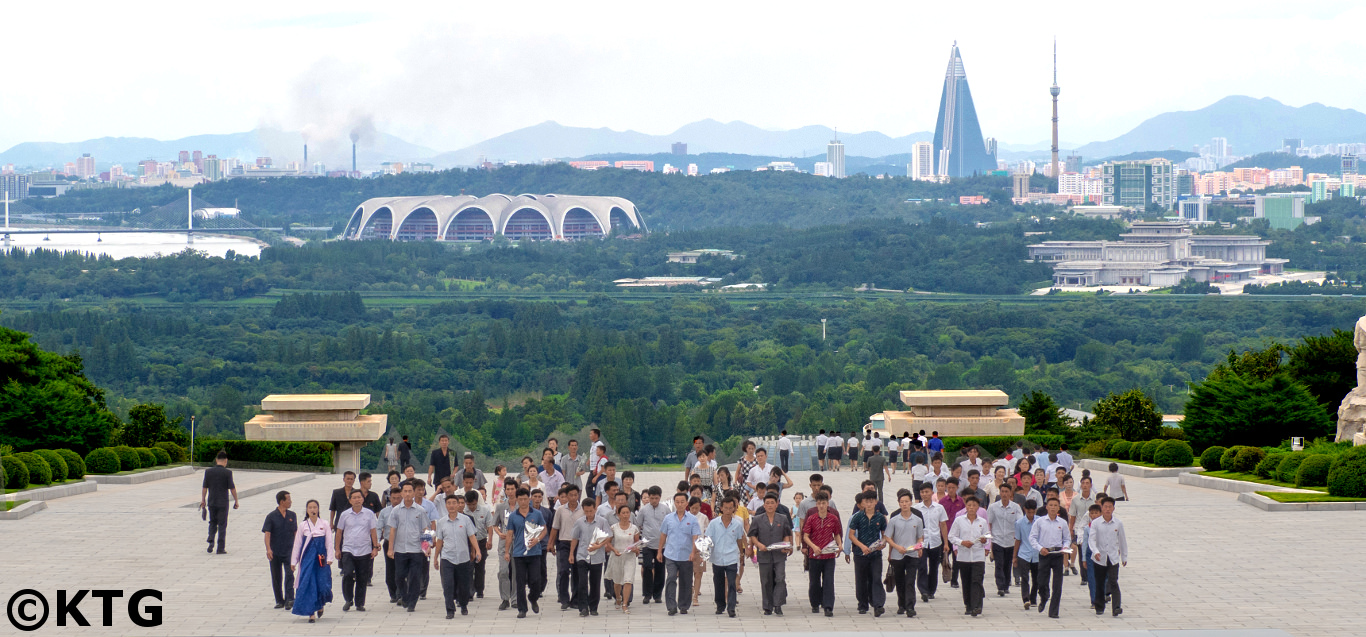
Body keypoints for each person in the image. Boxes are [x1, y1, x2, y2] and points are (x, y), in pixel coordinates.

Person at [432, 492, 481, 619]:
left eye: (455, 503)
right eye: (449, 503)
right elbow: (439, 541)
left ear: (459, 505)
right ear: (446, 505)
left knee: (463, 585)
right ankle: (450, 609)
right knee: (448, 585)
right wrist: (436, 557)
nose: (452, 505)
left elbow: (472, 536)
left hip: (463, 558)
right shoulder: (442, 522)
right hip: (447, 558)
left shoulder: (466, 520)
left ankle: (463, 605)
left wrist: (477, 551)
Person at [335, 488, 380, 612]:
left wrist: (375, 547)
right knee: (348, 574)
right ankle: (348, 599)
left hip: (364, 550)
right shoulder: (345, 514)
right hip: (348, 549)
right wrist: (337, 549)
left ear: (363, 499)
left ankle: (360, 603)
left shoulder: (369, 514)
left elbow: (373, 531)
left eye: (359, 497)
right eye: (354, 498)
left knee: (362, 577)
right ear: (350, 501)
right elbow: (339, 532)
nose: (357, 500)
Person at [505, 487, 547, 618]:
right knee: (520, 581)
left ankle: (533, 598)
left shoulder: (537, 514)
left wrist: (538, 539)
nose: (523, 502)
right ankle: (522, 609)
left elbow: (544, 529)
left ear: (529, 499)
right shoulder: (513, 516)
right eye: (520, 499)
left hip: (534, 552)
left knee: (536, 580)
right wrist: (507, 551)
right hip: (519, 553)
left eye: (525, 499)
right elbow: (509, 534)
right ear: (517, 500)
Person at [290, 499, 334, 623]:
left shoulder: (324, 524)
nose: (313, 510)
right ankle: (311, 612)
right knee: (309, 584)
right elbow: (297, 544)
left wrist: (330, 558)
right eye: (310, 507)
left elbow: (329, 542)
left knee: (323, 583)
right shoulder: (303, 525)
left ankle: (320, 605)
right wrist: (294, 561)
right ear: (307, 510)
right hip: (307, 559)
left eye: (315, 507)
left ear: (318, 509)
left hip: (321, 559)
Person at [387, 482, 428, 613]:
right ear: (402, 493)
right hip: (400, 549)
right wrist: (390, 548)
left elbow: (425, 529)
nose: (408, 494)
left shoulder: (420, 510)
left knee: (415, 577)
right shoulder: (396, 511)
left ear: (414, 493)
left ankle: (412, 602)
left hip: (416, 549)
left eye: (410, 491)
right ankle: (404, 596)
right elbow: (392, 530)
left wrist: (426, 547)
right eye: (405, 491)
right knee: (399, 576)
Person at [749, 492, 792, 616]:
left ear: (777, 503)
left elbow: (787, 534)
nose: (770, 505)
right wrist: (758, 545)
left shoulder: (782, 518)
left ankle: (778, 605)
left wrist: (786, 545)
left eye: (772, 502)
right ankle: (767, 606)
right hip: (764, 554)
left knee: (780, 578)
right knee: (766, 580)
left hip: (779, 555)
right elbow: (752, 535)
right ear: (764, 504)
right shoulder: (757, 519)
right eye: (767, 503)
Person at [658, 491, 701, 616]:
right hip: (671, 554)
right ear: (674, 503)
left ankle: (683, 605)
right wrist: (660, 551)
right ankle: (671, 606)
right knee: (671, 578)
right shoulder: (668, 518)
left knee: (686, 581)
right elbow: (663, 535)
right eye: (677, 502)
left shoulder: (692, 519)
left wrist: (693, 552)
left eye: (682, 502)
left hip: (686, 555)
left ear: (687, 503)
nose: (680, 504)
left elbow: (695, 537)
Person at [1028, 498, 1071, 619]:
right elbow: (1032, 538)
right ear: (1046, 507)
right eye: (1050, 505)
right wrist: (1040, 548)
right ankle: (1044, 596)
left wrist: (1065, 547)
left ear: (1058, 508)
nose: (1053, 507)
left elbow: (1067, 538)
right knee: (1041, 581)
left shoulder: (1062, 523)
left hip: (1057, 554)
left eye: (1055, 505)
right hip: (1044, 554)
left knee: (1057, 584)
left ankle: (1054, 611)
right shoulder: (1040, 522)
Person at [800, 491, 841, 617]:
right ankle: (815, 603)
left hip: (829, 556)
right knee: (814, 581)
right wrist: (812, 547)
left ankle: (828, 606)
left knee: (829, 581)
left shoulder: (833, 518)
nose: (821, 506)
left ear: (828, 504)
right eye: (819, 503)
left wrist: (839, 545)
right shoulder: (812, 518)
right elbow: (805, 535)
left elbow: (837, 533)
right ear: (816, 505)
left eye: (824, 503)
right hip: (814, 555)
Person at [947, 495, 988, 617]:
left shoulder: (982, 522)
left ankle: (977, 606)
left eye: (974, 505)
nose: (971, 508)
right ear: (966, 506)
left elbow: (987, 535)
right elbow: (951, 536)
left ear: (977, 507)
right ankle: (968, 605)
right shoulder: (959, 520)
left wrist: (984, 541)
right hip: (963, 556)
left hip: (978, 556)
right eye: (969, 505)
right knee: (966, 581)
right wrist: (961, 542)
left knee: (977, 580)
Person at [885, 489, 924, 617]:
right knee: (900, 581)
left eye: (907, 501)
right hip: (898, 555)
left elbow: (920, 537)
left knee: (910, 581)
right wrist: (896, 548)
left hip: (912, 555)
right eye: (902, 502)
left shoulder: (917, 520)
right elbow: (888, 537)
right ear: (899, 503)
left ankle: (910, 606)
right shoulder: (894, 520)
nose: (904, 504)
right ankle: (901, 604)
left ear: (911, 503)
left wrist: (919, 548)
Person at [847, 491, 887, 616]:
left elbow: (885, 535)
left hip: (875, 554)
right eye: (866, 501)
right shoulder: (857, 517)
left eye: (871, 501)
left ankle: (878, 604)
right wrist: (861, 546)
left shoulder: (880, 517)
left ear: (876, 502)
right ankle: (862, 604)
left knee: (876, 578)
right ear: (862, 503)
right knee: (861, 579)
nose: (869, 504)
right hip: (860, 554)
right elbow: (851, 535)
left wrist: (883, 543)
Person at [569, 497, 610, 616]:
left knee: (595, 582)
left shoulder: (602, 521)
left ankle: (593, 607)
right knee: (582, 582)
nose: (589, 514)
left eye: (591, 511)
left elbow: (608, 537)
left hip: (597, 556)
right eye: (586, 511)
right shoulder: (579, 522)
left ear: (595, 509)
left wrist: (599, 546)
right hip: (582, 555)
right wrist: (571, 553)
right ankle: (583, 607)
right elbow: (575, 538)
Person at [706, 496, 747, 617]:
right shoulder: (713, 524)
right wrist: (705, 552)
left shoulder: (737, 524)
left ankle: (731, 607)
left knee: (732, 582)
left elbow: (740, 540)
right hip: (717, 557)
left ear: (734, 508)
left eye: (730, 508)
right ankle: (720, 605)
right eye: (726, 508)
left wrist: (741, 553)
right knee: (718, 583)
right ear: (721, 508)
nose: (728, 510)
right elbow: (708, 538)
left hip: (732, 557)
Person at [1089, 497, 1127, 616]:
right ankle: (1099, 606)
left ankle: (1116, 607)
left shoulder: (1118, 523)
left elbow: (1122, 541)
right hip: (1099, 558)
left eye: (1110, 507)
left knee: (1113, 581)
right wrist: (1095, 552)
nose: (1107, 509)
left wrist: (1124, 557)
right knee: (1099, 583)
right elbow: (1092, 539)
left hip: (1113, 557)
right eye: (1105, 507)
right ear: (1102, 507)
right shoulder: (1096, 523)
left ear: (1113, 508)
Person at [549, 483, 584, 610]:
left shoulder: (583, 510)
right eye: (571, 495)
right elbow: (555, 528)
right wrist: (551, 543)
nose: (574, 497)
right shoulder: (560, 510)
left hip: (579, 544)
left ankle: (575, 599)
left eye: (575, 495)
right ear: (566, 496)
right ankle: (564, 598)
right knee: (563, 570)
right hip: (563, 543)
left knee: (577, 572)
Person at [262, 490, 298, 610]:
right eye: (288, 499)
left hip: (289, 551)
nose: (290, 501)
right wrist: (268, 549)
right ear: (282, 501)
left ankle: (290, 599)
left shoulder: (292, 515)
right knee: (276, 576)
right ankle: (279, 600)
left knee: (289, 574)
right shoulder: (271, 516)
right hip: (275, 551)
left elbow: (296, 533)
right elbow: (267, 534)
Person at [987, 483, 1023, 598]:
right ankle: (1000, 586)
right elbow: (989, 523)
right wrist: (990, 540)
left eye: (1006, 492)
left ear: (1010, 493)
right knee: (999, 564)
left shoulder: (1015, 507)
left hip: (1010, 540)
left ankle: (1006, 584)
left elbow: (1019, 522)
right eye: (1002, 491)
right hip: (997, 540)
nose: (1004, 494)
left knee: (1007, 564)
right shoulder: (993, 507)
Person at [913, 483, 947, 603]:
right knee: (921, 566)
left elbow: (943, 525)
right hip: (921, 543)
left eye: (927, 492)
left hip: (936, 541)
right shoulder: (916, 509)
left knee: (934, 567)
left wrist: (946, 543)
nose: (924, 494)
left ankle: (931, 590)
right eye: (922, 492)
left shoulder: (939, 508)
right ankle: (923, 591)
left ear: (932, 493)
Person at [636, 486, 669, 605]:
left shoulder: (665, 509)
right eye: (651, 498)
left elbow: (669, 525)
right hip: (647, 545)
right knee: (647, 568)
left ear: (660, 497)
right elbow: (638, 525)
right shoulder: (643, 510)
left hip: (661, 545)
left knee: (660, 570)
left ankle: (657, 594)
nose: (654, 500)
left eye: (656, 498)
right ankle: (647, 594)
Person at [200, 450, 238, 554]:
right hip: (223, 502)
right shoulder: (228, 473)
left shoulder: (208, 472)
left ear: (216, 460)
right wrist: (236, 501)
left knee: (212, 522)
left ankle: (211, 538)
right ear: (226, 460)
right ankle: (220, 548)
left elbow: (204, 487)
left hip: (212, 501)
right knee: (222, 524)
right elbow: (232, 488)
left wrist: (203, 500)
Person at [607, 504, 640, 613]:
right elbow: (608, 543)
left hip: (629, 557)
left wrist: (635, 549)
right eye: (623, 513)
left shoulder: (634, 528)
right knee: (617, 581)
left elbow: (637, 544)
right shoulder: (614, 527)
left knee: (628, 580)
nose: (626, 515)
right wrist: (614, 549)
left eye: (627, 513)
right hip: (617, 556)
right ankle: (618, 597)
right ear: (619, 514)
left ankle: (625, 603)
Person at [377, 487, 403, 603]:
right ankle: (393, 594)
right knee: (390, 570)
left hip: (402, 543)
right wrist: (377, 541)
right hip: (388, 543)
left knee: (401, 570)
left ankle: (401, 593)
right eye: (394, 498)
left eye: (398, 498)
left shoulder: (405, 510)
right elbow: (378, 527)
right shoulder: (384, 512)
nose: (396, 500)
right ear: (390, 498)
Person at [1013, 501, 1041, 610]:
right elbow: (1018, 540)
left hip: (1037, 553)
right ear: (1025, 510)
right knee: (1024, 577)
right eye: (1029, 512)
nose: (1030, 514)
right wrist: (1014, 557)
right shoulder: (1019, 523)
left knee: (1037, 578)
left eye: (1032, 512)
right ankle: (1026, 599)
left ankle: (1033, 598)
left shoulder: (1040, 521)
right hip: (1024, 553)